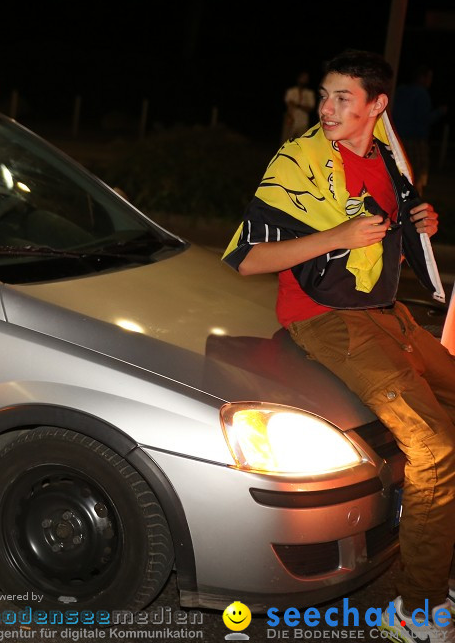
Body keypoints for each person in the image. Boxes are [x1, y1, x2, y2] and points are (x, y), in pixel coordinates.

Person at [224, 49, 455, 642]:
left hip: (385, 312)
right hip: (326, 319)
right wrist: (338, 235)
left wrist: (419, 220)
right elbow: (248, 259)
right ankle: (417, 609)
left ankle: (433, 543)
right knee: (435, 449)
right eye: (325, 96)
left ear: (377, 107)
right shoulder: (300, 160)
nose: (326, 108)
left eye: (342, 98)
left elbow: (388, 216)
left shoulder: (386, 155)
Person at [392, 65, 447, 195]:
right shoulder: (421, 93)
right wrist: (440, 112)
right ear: (422, 78)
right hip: (414, 140)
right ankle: (414, 202)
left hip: (397, 138)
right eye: (429, 77)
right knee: (417, 174)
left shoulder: (400, 90)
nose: (430, 81)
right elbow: (424, 118)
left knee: (400, 172)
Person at [281, 70, 316, 141]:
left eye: (306, 78)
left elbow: (309, 109)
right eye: (302, 78)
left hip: (303, 122)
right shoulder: (291, 91)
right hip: (291, 120)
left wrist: (296, 105)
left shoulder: (310, 93)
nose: (304, 80)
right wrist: (289, 117)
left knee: (301, 144)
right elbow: (289, 105)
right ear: (298, 78)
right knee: (286, 143)